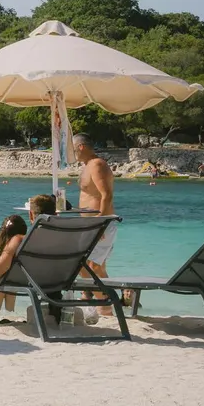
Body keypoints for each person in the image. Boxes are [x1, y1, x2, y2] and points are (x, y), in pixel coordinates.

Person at [73, 133, 117, 313]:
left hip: (101, 223)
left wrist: (101, 223)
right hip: (89, 223)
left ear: (81, 146)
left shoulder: (97, 165)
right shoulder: (87, 166)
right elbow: (89, 195)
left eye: (73, 148)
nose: (72, 152)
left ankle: (105, 304)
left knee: (91, 266)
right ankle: (105, 308)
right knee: (91, 266)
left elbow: (106, 195)